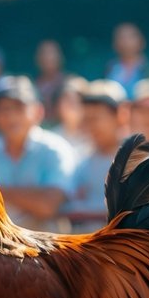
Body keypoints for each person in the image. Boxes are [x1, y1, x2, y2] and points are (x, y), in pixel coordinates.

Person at [0, 75, 77, 231]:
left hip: (48, 251)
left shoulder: (55, 149)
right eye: (2, 109)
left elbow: (47, 206)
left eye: (19, 108)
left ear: (38, 111)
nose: (10, 116)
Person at [63, 80, 127, 231]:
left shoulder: (138, 158)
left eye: (96, 118)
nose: (90, 126)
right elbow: (66, 207)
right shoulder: (79, 158)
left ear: (120, 115)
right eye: (87, 119)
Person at [106, 23, 149, 93]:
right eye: (121, 37)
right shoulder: (110, 68)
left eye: (131, 37)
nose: (126, 41)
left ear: (141, 41)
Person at [48, 75, 90, 155]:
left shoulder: (96, 138)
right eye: (67, 98)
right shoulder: (51, 138)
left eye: (78, 98)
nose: (72, 103)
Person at [33, 39, 68, 121]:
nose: (48, 57)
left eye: (52, 53)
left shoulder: (70, 83)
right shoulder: (33, 86)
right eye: (44, 53)